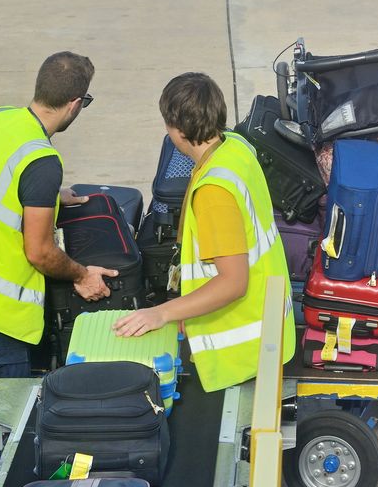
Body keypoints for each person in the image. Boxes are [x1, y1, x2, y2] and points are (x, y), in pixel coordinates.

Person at [0, 51, 117, 433]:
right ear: (75, 104)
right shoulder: (42, 162)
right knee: (1, 428)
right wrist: (82, 275)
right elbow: (41, 252)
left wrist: (45, 198)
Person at [114, 72, 296, 391]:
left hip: (241, 349)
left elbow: (233, 281)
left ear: (179, 131)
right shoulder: (236, 147)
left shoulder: (215, 192)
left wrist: (162, 313)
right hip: (268, 326)